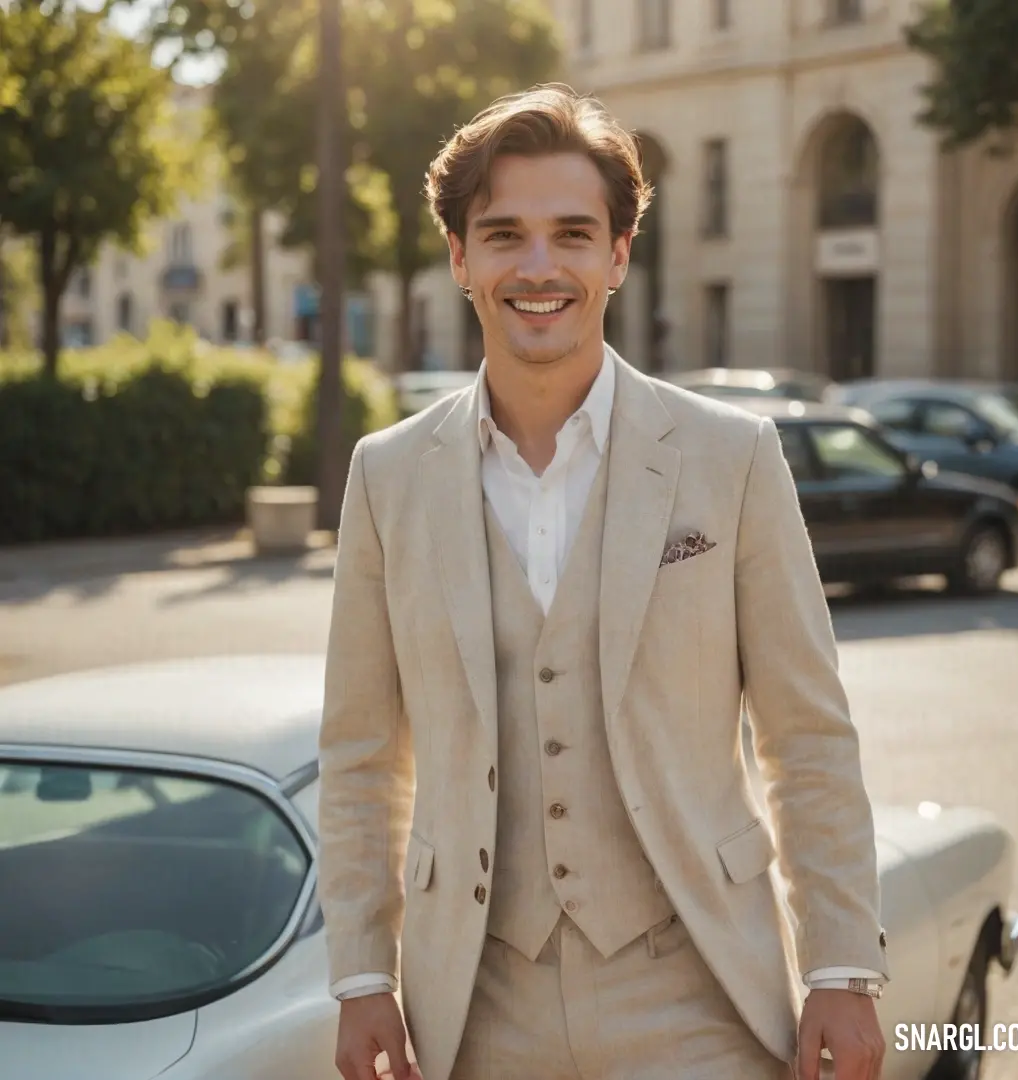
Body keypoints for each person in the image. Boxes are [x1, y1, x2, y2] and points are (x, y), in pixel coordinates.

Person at [318, 83, 889, 1080]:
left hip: (697, 987)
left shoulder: (733, 458)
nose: (539, 267)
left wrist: (842, 963)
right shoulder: (387, 478)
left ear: (618, 255)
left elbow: (809, 736)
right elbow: (363, 761)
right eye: (504, 235)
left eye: (573, 234)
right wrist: (363, 978)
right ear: (460, 258)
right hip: (477, 1009)